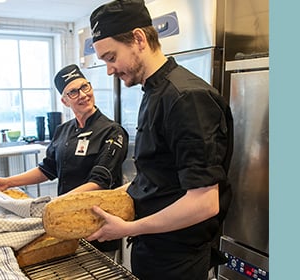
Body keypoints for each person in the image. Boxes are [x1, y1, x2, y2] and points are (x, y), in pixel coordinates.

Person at [85, 1, 234, 279]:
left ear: (139, 39)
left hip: (177, 260)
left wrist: (128, 229)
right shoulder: (154, 92)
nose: (109, 70)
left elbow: (204, 202)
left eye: (111, 57)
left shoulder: (186, 98)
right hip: (154, 249)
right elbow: (161, 176)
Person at [0, 64, 129, 258]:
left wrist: (56, 205)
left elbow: (99, 182)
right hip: (65, 221)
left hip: (97, 223)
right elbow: (47, 169)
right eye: (73, 92)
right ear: (64, 101)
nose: (82, 95)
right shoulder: (62, 131)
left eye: (85, 87)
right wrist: (8, 182)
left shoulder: (113, 132)